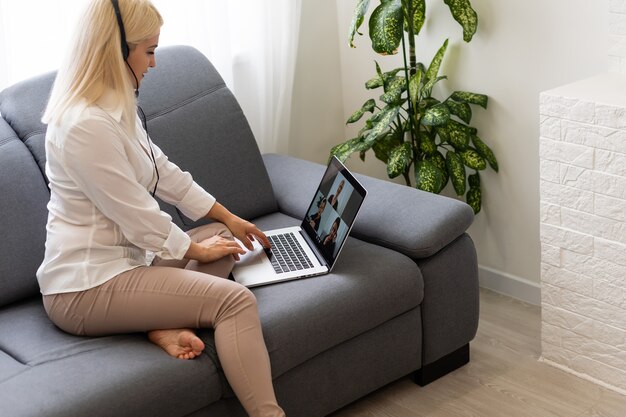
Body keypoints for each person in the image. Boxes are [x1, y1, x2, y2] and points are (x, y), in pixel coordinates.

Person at [37, 1, 285, 416]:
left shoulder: (113, 106)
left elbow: (163, 172)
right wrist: (196, 252)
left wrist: (226, 216)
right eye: (148, 51)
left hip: (127, 264)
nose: (154, 63)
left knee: (221, 240)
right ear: (115, 50)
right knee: (235, 301)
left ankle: (158, 322)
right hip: (85, 287)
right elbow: (136, 213)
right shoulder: (83, 126)